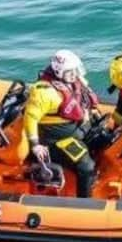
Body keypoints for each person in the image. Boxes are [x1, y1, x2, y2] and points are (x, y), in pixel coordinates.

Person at [23, 49, 99, 198]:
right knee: (86, 166)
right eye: (71, 72)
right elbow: (30, 117)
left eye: (76, 70)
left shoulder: (71, 82)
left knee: (103, 137)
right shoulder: (45, 92)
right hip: (57, 140)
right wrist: (35, 145)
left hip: (76, 129)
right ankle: (85, 202)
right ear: (59, 73)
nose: (75, 74)